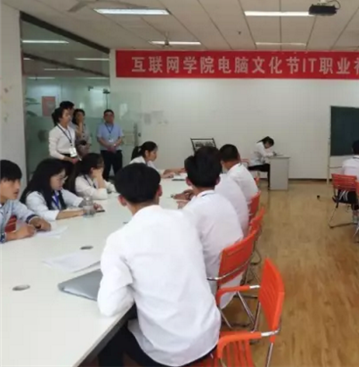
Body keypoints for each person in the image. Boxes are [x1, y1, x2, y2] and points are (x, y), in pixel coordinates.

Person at [97, 164, 220, 367]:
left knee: (109, 335)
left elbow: (110, 306)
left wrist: (133, 289)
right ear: (160, 191)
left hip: (169, 354)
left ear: (121, 200)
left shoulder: (119, 240)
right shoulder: (186, 219)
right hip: (208, 335)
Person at [182, 150, 244, 309]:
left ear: (188, 181)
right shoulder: (224, 201)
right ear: (218, 180)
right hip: (232, 276)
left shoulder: (192, 212)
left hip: (212, 285)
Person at [173, 147, 249, 233]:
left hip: (235, 231)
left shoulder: (192, 210)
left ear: (188, 181)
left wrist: (185, 207)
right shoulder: (224, 194)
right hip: (239, 234)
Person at [21, 159, 89, 221]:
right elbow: (45, 215)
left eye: (64, 178)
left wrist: (90, 205)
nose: (63, 182)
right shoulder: (33, 196)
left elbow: (76, 200)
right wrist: (77, 212)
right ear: (47, 178)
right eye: (60, 179)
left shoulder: (57, 191)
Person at [0, 160, 51, 243]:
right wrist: (15, 235)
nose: (18, 186)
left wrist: (36, 221)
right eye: (12, 181)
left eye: (18, 181)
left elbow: (25, 213)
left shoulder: (10, 201)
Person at [339, 140, 359, 221]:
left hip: (344, 195)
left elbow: (341, 177)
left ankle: (355, 214)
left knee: (354, 186)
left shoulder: (345, 163)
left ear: (352, 149)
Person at [49, 106, 79, 179]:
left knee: (72, 179)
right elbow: (52, 152)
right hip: (61, 159)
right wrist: (68, 159)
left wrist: (74, 156)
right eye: (66, 115)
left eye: (69, 115)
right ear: (60, 118)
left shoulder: (71, 130)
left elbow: (71, 145)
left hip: (72, 158)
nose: (69, 117)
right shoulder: (54, 132)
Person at [97, 109, 124, 180]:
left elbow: (121, 138)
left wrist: (114, 145)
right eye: (107, 115)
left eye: (111, 115)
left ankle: (118, 185)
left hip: (116, 151)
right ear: (104, 117)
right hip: (105, 152)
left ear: (113, 116)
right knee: (105, 170)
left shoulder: (118, 126)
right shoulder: (100, 127)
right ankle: (104, 184)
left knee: (118, 170)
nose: (109, 117)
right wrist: (108, 146)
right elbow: (99, 138)